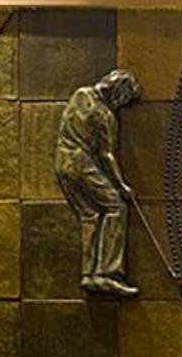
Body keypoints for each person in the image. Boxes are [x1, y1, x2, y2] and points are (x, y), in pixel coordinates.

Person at [55, 67, 143, 298]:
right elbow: (106, 155)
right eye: (125, 99)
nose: (122, 104)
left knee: (91, 215)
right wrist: (121, 186)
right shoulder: (104, 114)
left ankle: (90, 275)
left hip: (63, 163)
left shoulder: (80, 94)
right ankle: (108, 273)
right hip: (82, 164)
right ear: (120, 92)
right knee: (116, 207)